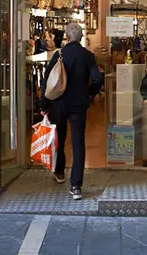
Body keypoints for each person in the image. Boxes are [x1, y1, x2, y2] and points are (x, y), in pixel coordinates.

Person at [40, 23, 104, 200]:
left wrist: (43, 105)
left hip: (59, 104)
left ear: (67, 37)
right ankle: (76, 185)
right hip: (78, 105)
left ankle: (60, 172)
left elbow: (47, 81)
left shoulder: (58, 54)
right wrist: (90, 94)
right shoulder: (88, 56)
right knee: (78, 142)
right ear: (81, 37)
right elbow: (98, 79)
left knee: (60, 138)